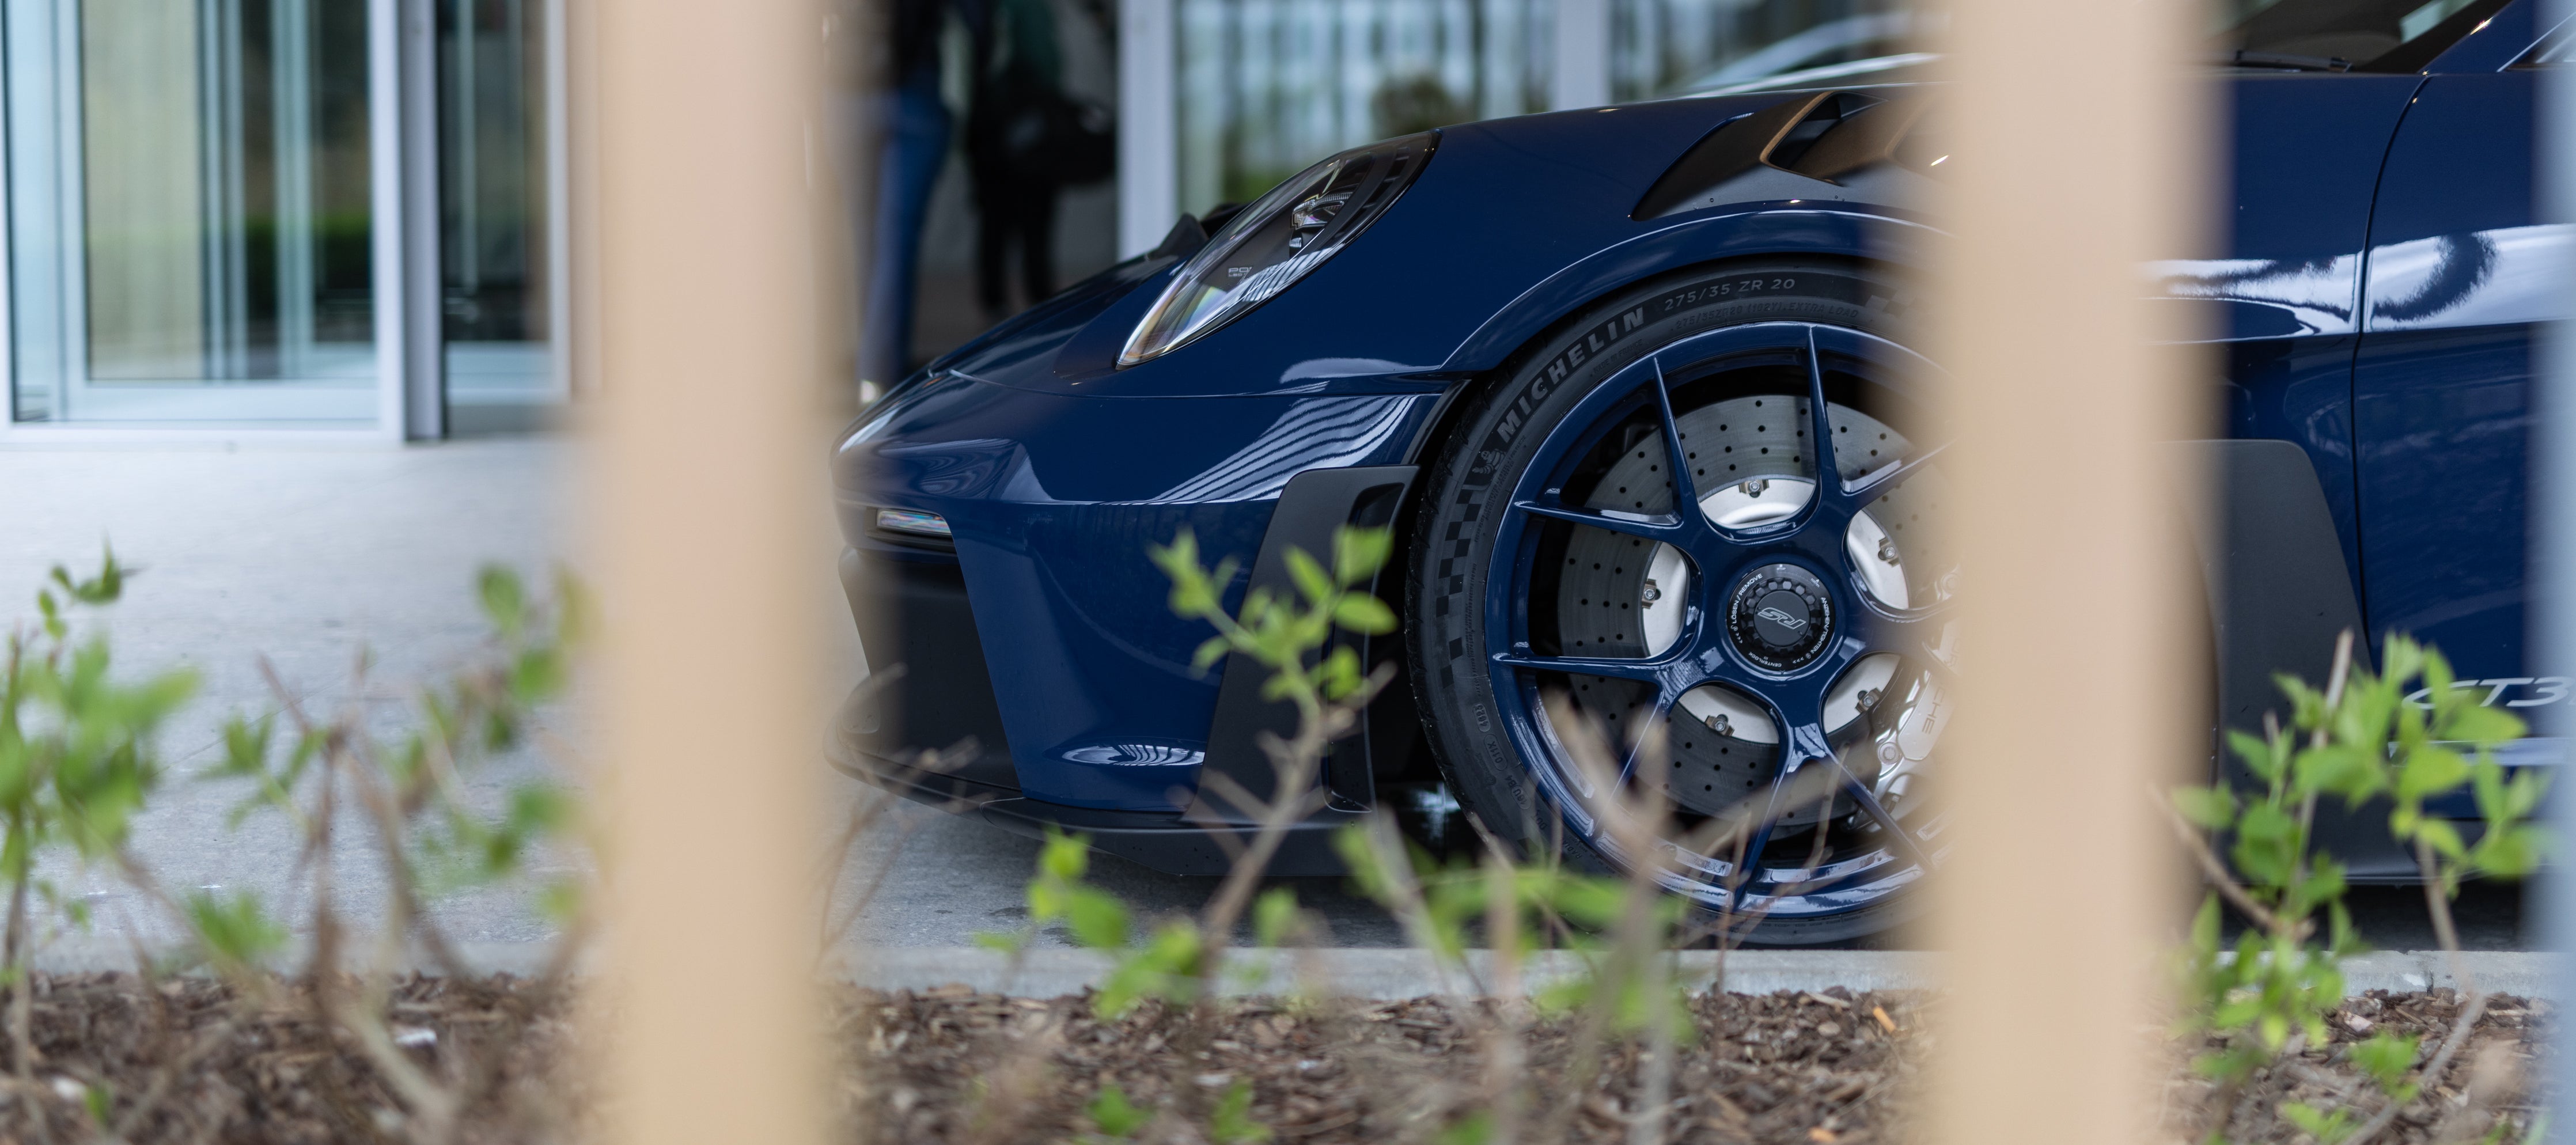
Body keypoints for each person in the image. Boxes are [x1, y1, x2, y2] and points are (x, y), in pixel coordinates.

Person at [857, 0, 955, 392]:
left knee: (862, 234)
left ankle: (867, 369)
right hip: (915, 88)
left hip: (844, 92)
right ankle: (877, 373)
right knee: (895, 237)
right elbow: (977, 19)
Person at [963, 0, 1066, 322]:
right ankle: (1035, 304)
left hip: (991, 121)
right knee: (1026, 220)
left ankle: (999, 303)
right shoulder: (1024, 9)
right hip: (1021, 120)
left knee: (996, 220)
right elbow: (1045, 64)